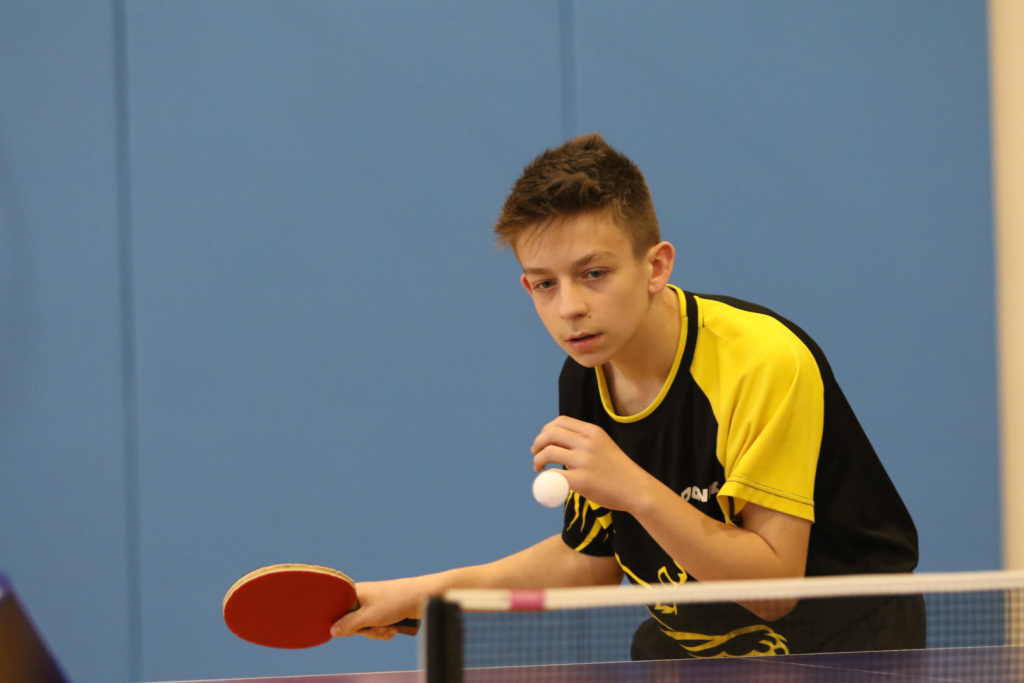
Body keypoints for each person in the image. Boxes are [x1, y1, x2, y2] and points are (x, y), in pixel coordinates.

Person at [331, 132, 923, 657]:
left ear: (655, 267)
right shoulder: (585, 374)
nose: (569, 308)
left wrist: (635, 489)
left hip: (841, 650)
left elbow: (773, 590)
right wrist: (421, 596)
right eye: (545, 284)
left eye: (594, 273)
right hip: (696, 650)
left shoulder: (762, 361)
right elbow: (590, 563)